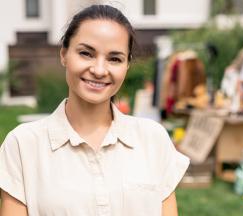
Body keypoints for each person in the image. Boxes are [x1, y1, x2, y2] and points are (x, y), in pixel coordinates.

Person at [0, 5, 189, 216]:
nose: (99, 70)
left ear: (127, 65)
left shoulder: (153, 139)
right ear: (64, 54)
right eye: (86, 53)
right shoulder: (22, 145)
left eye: (114, 58)